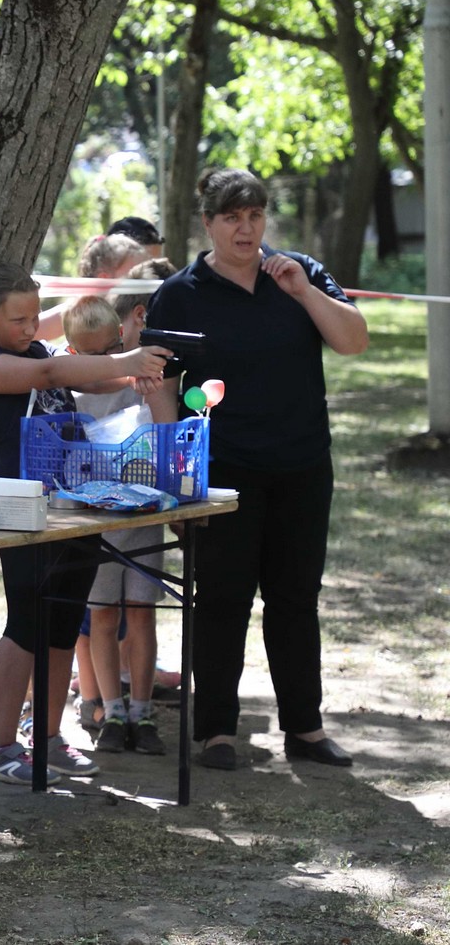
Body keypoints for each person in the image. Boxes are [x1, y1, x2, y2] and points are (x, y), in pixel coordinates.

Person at [145, 168, 368, 772]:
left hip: (301, 463)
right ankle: (216, 731)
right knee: (222, 600)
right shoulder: (182, 293)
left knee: (297, 599)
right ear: (209, 223)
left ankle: (306, 729)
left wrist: (304, 291)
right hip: (223, 473)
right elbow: (160, 385)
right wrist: (175, 474)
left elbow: (353, 341)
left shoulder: (299, 273)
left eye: (256, 215)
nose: (247, 228)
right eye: (232, 217)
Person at [0, 261, 169, 785]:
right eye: (18, 320)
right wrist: (128, 360)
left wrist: (136, 372)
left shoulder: (34, 351)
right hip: (23, 508)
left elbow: (80, 373)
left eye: (35, 318)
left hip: (76, 503)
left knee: (60, 623)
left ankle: (47, 740)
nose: (31, 329)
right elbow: (53, 374)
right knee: (26, 624)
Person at [62, 291, 168, 757]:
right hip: (96, 522)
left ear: (123, 337)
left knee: (141, 613)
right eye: (92, 355)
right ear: (72, 355)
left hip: (141, 512)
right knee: (102, 616)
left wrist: (151, 388)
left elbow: (164, 435)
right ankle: (111, 709)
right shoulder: (67, 388)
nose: (105, 362)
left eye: (111, 350)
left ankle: (142, 710)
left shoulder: (136, 378)